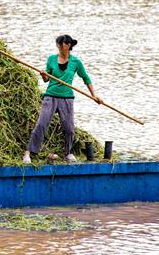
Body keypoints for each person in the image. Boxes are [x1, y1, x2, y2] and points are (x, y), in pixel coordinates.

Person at [23, 34, 102, 164]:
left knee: (69, 128)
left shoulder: (76, 62)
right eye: (58, 44)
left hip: (67, 98)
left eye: (61, 44)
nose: (59, 47)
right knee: (42, 124)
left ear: (68, 45)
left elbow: (86, 78)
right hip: (50, 96)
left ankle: (67, 153)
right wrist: (43, 75)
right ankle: (29, 152)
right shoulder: (52, 59)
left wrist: (94, 95)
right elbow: (46, 79)